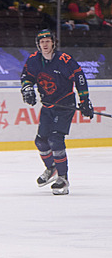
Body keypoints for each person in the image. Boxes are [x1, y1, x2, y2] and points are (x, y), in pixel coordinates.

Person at [20, 29, 94, 195]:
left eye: (48, 41)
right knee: (40, 141)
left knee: (55, 138)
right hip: (48, 105)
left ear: (53, 42)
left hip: (64, 105)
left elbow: (80, 78)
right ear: (38, 44)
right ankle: (51, 168)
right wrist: (27, 89)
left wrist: (85, 101)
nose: (45, 44)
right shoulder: (33, 60)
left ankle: (63, 178)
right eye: (42, 42)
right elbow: (27, 77)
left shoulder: (65, 60)